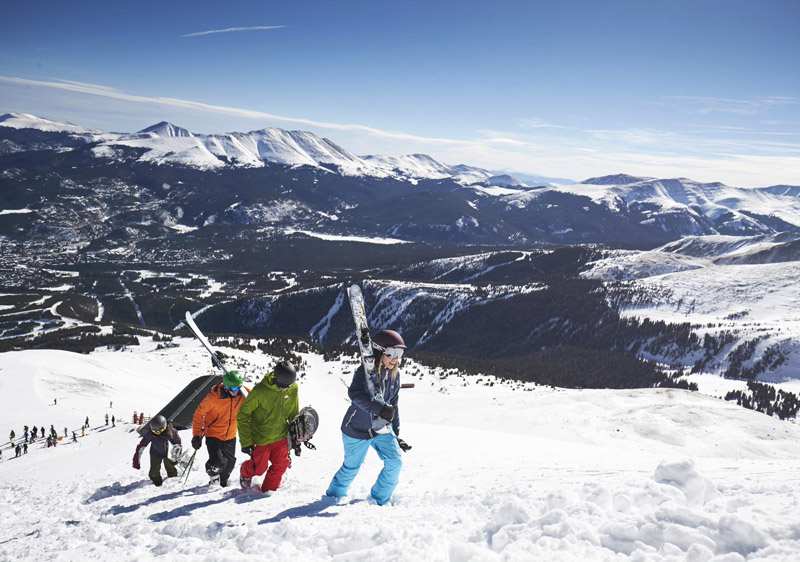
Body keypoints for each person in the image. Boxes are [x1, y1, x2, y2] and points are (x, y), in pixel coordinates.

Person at [326, 330, 412, 506]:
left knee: (395, 462)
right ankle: (331, 497)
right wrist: (379, 408)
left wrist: (396, 432)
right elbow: (355, 394)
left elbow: (393, 405)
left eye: (400, 353)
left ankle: (380, 500)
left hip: (381, 429)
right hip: (356, 428)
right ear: (380, 351)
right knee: (351, 468)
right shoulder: (365, 372)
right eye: (392, 353)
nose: (396, 358)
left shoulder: (395, 376)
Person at [237, 362, 298, 492]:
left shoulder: (293, 389)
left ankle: (266, 494)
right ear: (276, 378)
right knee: (259, 469)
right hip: (261, 437)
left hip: (280, 436)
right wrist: (246, 442)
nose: (286, 389)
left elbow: (294, 413)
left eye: (289, 386)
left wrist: (295, 439)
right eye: (283, 386)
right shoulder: (260, 391)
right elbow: (243, 414)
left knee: (281, 465)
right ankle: (244, 472)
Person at [191, 371, 247, 487]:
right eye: (232, 388)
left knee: (229, 464)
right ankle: (212, 473)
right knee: (218, 462)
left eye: (238, 387)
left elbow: (256, 398)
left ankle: (223, 483)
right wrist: (196, 434)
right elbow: (198, 414)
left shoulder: (242, 395)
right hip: (213, 435)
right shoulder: (213, 398)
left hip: (230, 435)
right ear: (226, 386)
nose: (235, 391)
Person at [132, 415, 182, 487]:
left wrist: (177, 455)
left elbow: (178, 444)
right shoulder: (150, 434)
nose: (157, 433)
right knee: (153, 472)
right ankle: (156, 484)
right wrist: (136, 460)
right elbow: (141, 446)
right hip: (155, 452)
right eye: (155, 431)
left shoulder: (171, 432)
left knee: (170, 468)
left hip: (168, 454)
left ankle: (173, 482)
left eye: (160, 431)